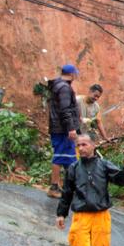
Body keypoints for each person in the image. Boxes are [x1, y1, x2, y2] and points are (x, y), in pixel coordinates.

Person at [54, 133, 124, 246]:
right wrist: (61, 214)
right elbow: (67, 192)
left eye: (84, 145)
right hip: (81, 215)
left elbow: (120, 180)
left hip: (101, 214)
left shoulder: (103, 165)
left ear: (93, 145)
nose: (81, 148)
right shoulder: (74, 168)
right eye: (78, 146)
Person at [45, 64, 82, 198]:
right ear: (72, 74)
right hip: (62, 129)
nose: (76, 76)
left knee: (69, 157)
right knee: (60, 155)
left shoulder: (59, 86)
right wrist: (71, 128)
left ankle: (70, 187)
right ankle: (54, 187)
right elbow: (65, 110)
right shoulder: (64, 88)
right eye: (76, 74)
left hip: (61, 127)